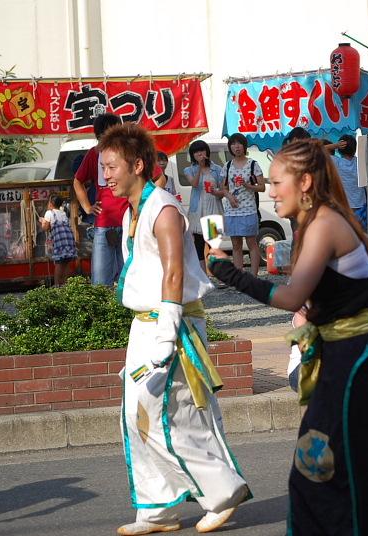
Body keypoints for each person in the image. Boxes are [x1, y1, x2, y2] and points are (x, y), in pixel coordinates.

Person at [208, 139, 368, 535]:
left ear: (306, 182)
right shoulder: (329, 220)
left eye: (277, 182)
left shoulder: (325, 224)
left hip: (357, 367)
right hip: (355, 362)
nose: (270, 191)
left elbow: (292, 296)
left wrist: (229, 273)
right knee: (343, 471)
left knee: (330, 471)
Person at [99, 123, 249, 535]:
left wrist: (165, 335)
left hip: (172, 324)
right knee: (135, 416)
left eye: (112, 167)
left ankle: (222, 493)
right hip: (144, 324)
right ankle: (157, 509)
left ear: (138, 165)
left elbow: (174, 274)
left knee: (175, 415)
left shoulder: (163, 208)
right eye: (104, 167)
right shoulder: (134, 209)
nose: (106, 175)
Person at [73, 113, 126, 285]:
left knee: (131, 276)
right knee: (101, 280)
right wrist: (87, 207)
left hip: (130, 221)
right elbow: (77, 181)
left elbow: (158, 178)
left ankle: (132, 310)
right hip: (103, 222)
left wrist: (143, 204)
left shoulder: (129, 152)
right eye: (104, 134)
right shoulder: (94, 154)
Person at [219, 133, 265, 275]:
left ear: (244, 146)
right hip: (232, 210)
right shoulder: (227, 166)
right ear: (230, 147)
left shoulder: (253, 164)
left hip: (249, 209)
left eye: (239, 144)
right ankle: (240, 279)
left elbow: (262, 187)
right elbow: (223, 187)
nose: (236, 147)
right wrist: (229, 197)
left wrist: (247, 185)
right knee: (236, 245)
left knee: (251, 243)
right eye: (233, 144)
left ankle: (253, 277)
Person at [184, 140, 225, 275]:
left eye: (202, 150)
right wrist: (200, 169)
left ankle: (218, 274)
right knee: (199, 245)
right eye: (196, 152)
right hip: (197, 212)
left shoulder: (218, 169)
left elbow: (223, 191)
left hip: (213, 210)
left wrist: (215, 192)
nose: (200, 154)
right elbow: (194, 184)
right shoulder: (189, 169)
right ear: (192, 155)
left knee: (214, 244)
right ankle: (203, 276)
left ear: (207, 152)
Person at [38, 195, 77, 287]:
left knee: (59, 262)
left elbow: (45, 228)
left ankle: (56, 285)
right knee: (66, 262)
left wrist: (42, 222)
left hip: (60, 240)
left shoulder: (49, 213)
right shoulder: (63, 213)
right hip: (69, 239)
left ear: (51, 203)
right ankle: (65, 284)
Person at [332, 134, 367, 231]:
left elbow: (316, 150)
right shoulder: (361, 163)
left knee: (347, 236)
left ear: (340, 149)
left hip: (344, 206)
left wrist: (335, 145)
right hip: (362, 206)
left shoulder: (337, 163)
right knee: (361, 236)